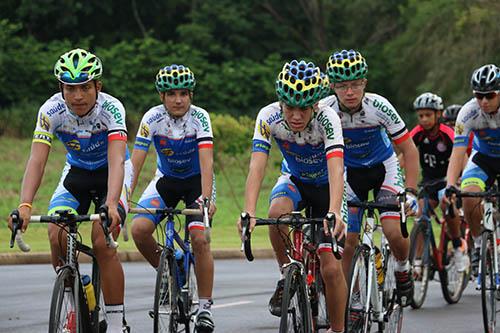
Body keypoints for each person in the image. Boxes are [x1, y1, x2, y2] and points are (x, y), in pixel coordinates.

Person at [7, 48, 131, 333]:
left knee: (102, 241)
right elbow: (37, 159)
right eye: (70, 88)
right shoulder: (51, 110)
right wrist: (25, 204)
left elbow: (116, 160)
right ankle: (75, 301)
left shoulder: (112, 109)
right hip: (76, 173)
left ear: (97, 86)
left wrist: (112, 203)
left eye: (85, 87)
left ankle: (114, 323)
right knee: (56, 232)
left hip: (111, 175)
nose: (77, 96)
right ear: (61, 87)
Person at [237, 60, 347, 333]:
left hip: (327, 187)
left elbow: (336, 167)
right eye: (290, 107)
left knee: (331, 270)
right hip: (295, 179)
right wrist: (249, 211)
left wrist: (334, 211)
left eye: (303, 109)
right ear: (280, 103)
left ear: (315, 106)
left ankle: (338, 328)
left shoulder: (328, 119)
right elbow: (257, 166)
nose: (296, 115)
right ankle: (286, 272)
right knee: (276, 214)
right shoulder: (267, 117)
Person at [322, 49, 419, 315]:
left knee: (391, 230)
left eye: (355, 84)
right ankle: (349, 301)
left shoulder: (379, 107)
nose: (349, 91)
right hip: (349, 174)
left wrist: (410, 192)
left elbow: (409, 150)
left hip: (383, 169)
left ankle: (401, 267)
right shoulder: (325, 110)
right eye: (342, 85)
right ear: (332, 85)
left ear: (365, 83)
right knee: (347, 240)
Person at [130, 64, 216, 332]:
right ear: (161, 96)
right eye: (171, 94)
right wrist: (122, 200)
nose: (178, 99)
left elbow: (207, 163)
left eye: (183, 93)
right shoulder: (152, 118)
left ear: (191, 95)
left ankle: (204, 308)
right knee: (140, 229)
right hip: (165, 181)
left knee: (199, 238)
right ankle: (170, 269)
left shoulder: (200, 118)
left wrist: (205, 198)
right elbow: (135, 163)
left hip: (196, 182)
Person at [441, 64, 500, 276]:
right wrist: (449, 185)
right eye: (479, 95)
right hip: (483, 159)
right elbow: (457, 153)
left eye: (490, 95)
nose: (484, 101)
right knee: (468, 196)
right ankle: (478, 246)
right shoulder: (468, 113)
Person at [409, 92, 468, 272]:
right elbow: (406, 154)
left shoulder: (447, 133)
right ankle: (418, 261)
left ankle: (457, 246)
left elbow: (462, 156)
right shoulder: (417, 133)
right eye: (420, 116)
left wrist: (461, 179)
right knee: (420, 215)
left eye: (428, 115)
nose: (424, 119)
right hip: (428, 183)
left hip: (447, 181)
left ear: (438, 114)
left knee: (446, 205)